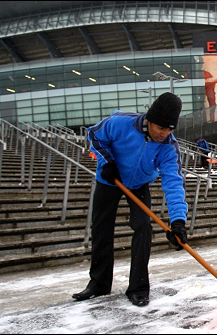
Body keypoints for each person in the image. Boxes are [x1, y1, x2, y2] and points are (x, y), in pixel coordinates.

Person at [74, 92, 189, 307]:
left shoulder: (168, 147)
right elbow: (94, 135)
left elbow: (173, 183)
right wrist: (107, 162)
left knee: (143, 227)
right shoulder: (119, 123)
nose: (164, 134)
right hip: (110, 180)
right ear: (149, 120)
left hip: (138, 185)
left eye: (169, 129)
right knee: (101, 229)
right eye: (160, 128)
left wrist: (178, 221)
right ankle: (98, 284)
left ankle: (138, 288)